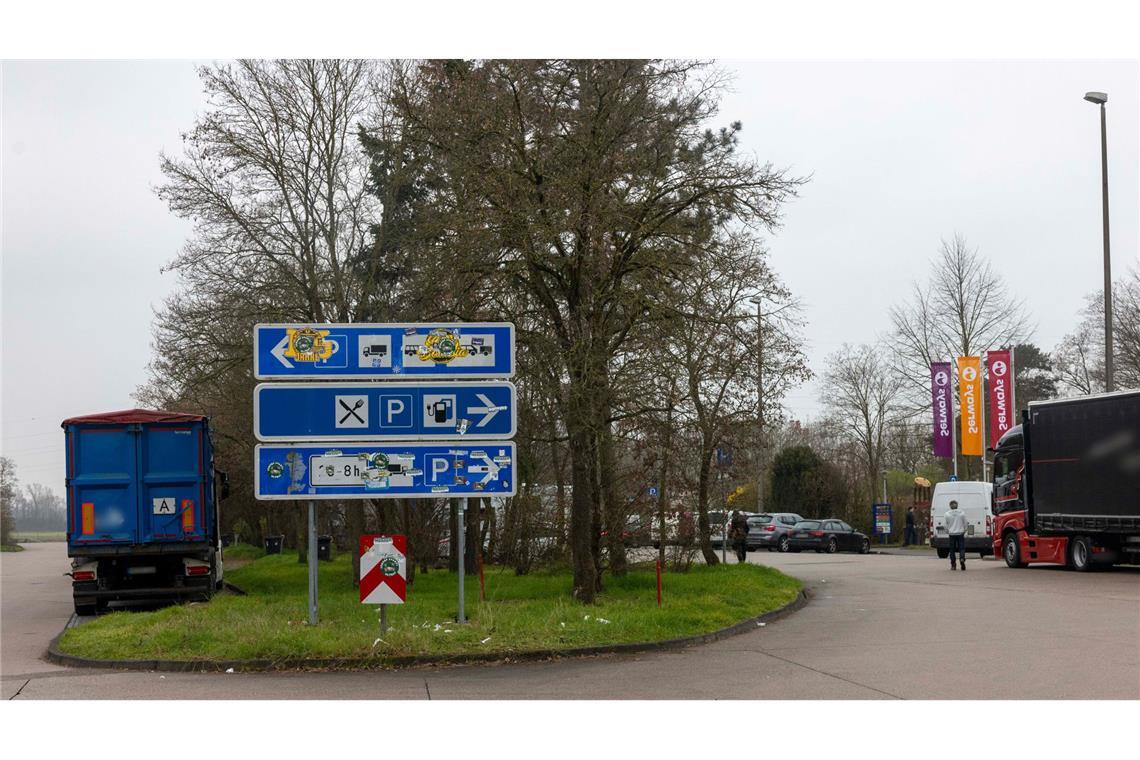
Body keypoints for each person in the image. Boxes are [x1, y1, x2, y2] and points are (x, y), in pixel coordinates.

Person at [945, 499, 967, 571]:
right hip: (960, 533)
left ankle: (953, 564)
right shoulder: (962, 513)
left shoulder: (947, 514)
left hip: (952, 534)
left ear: (950, 506)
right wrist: (965, 530)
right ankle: (962, 558)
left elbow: (945, 525)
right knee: (961, 548)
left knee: (952, 550)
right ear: (957, 506)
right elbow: (965, 523)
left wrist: (947, 531)